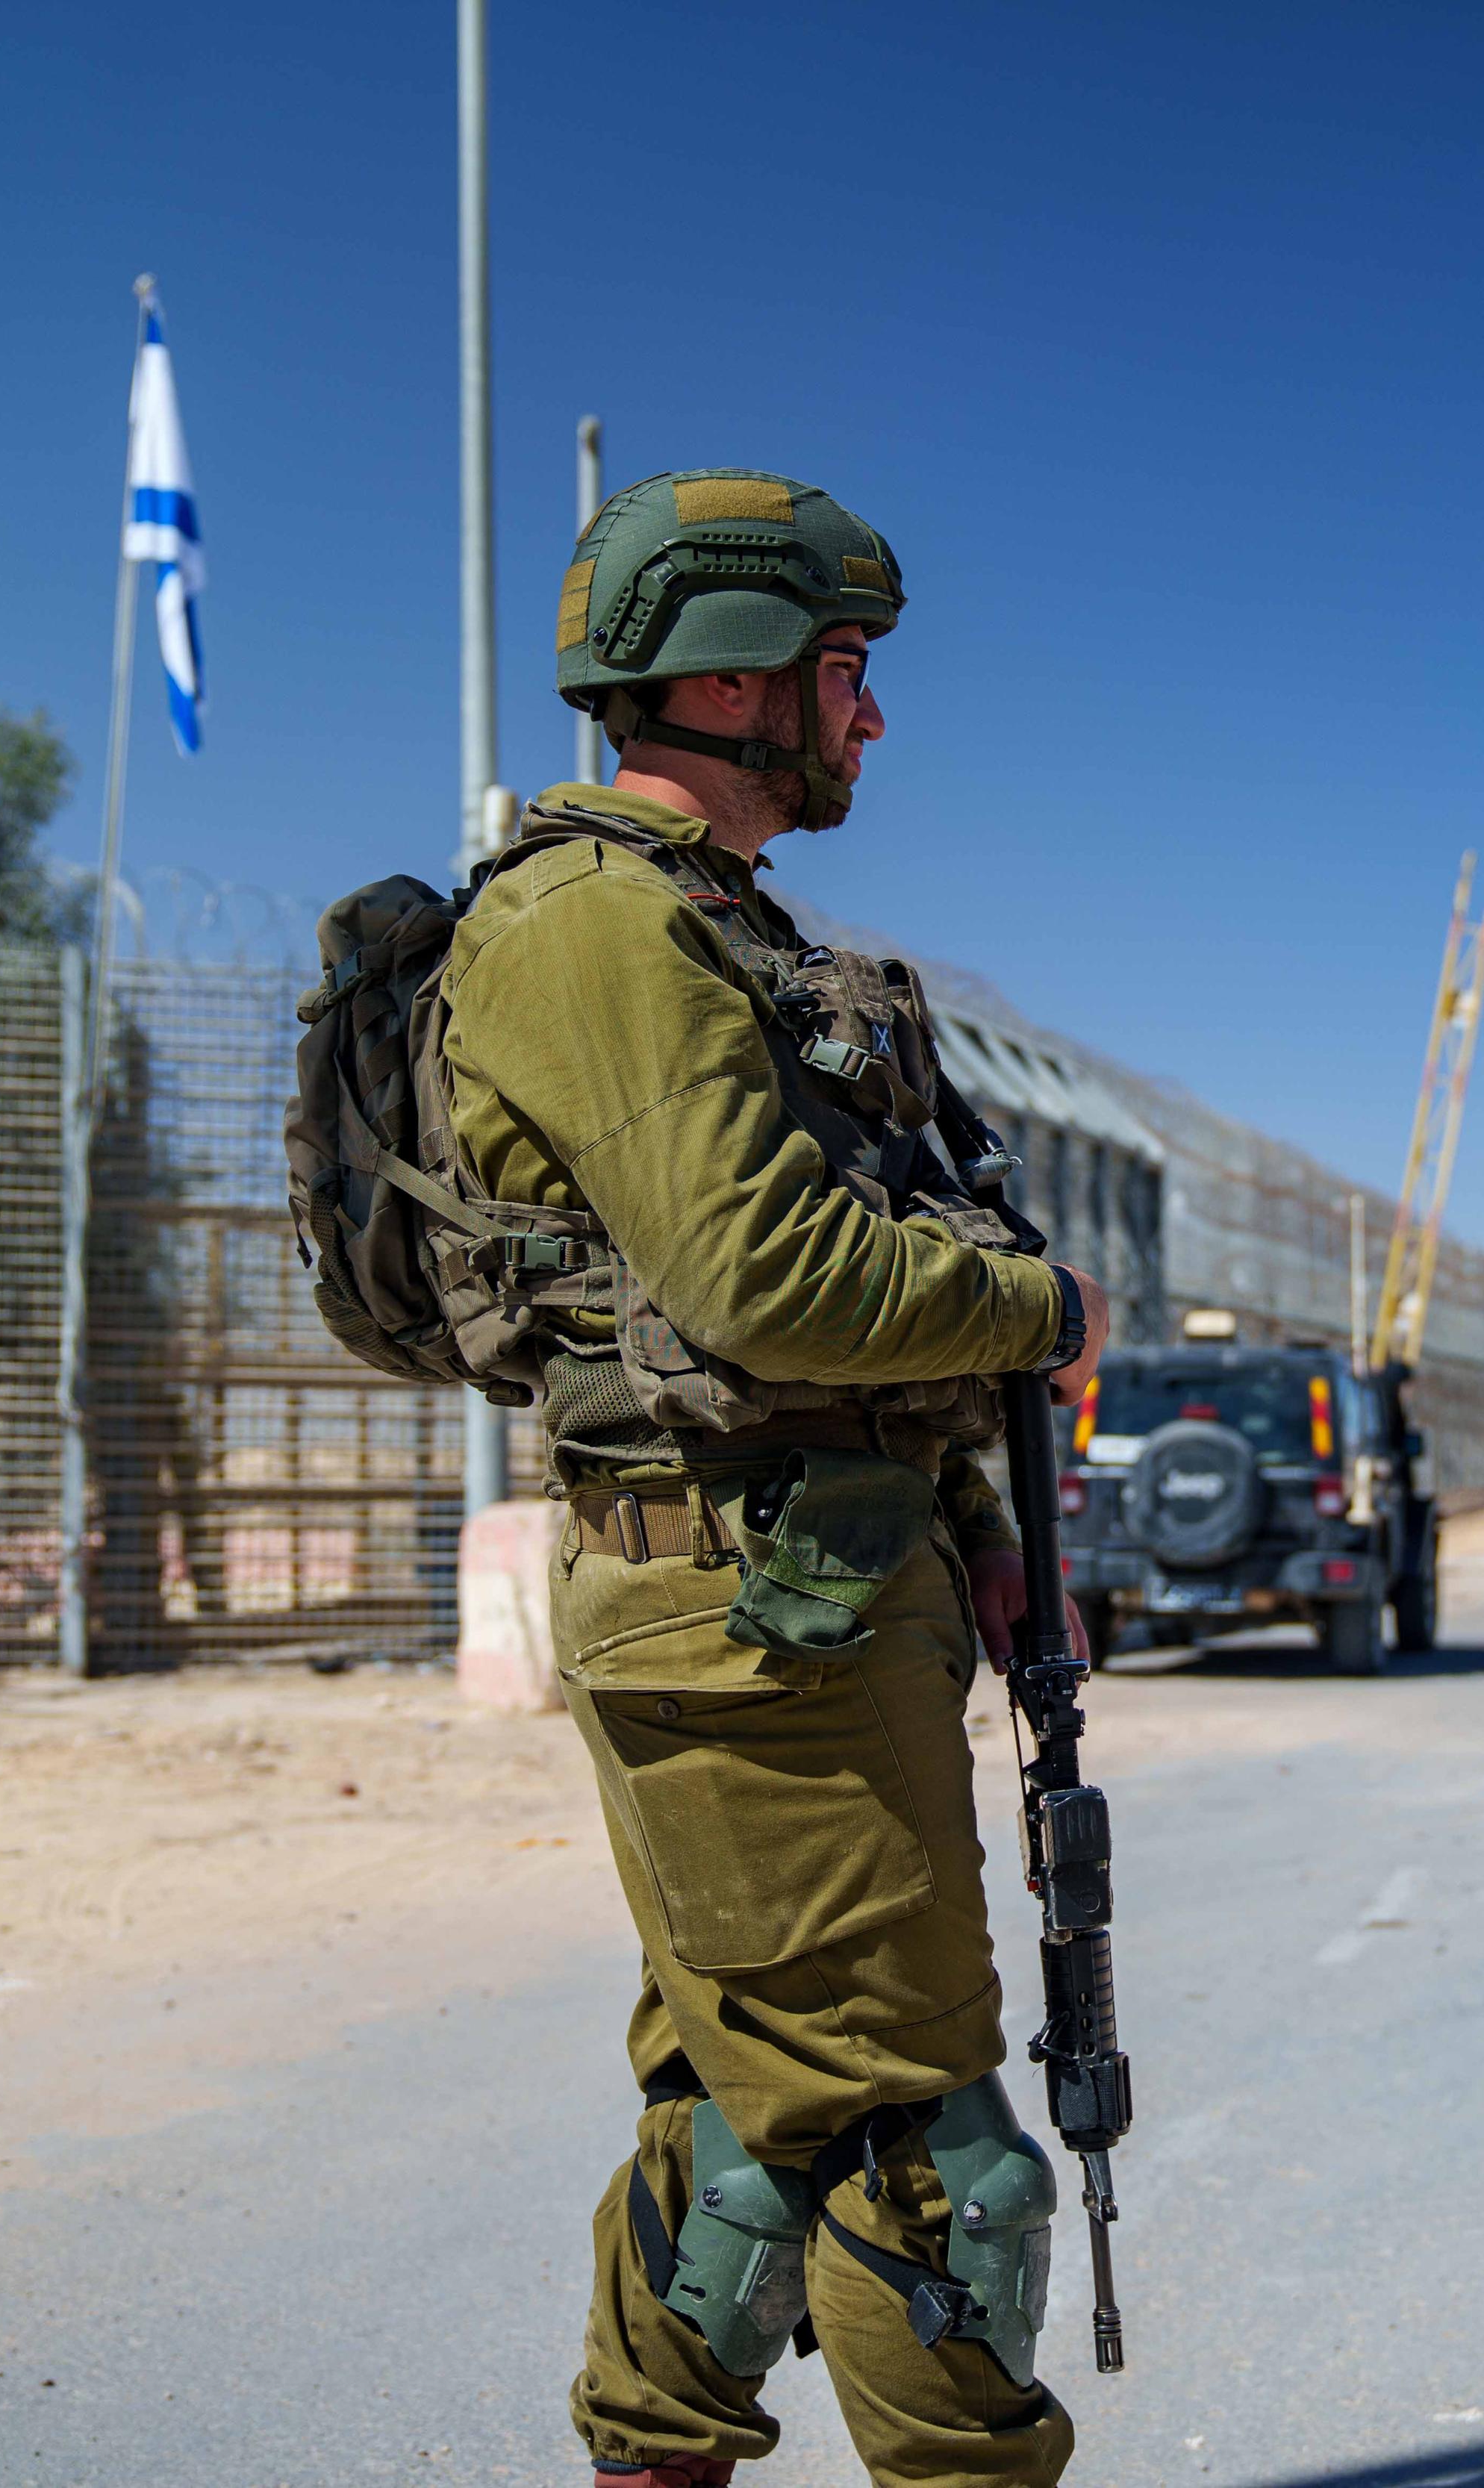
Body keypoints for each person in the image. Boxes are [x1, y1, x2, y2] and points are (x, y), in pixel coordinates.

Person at [439, 470, 1107, 2486]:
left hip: (816, 1594)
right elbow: (775, 1279)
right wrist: (1047, 1305)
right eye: (845, 674)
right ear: (732, 683)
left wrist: (992, 1539)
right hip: (750, 1622)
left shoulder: (728, 932)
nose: (871, 722)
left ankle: (654, 2448)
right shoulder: (597, 925)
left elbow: (826, 1344)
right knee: (923, 2148)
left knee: (747, 2109)